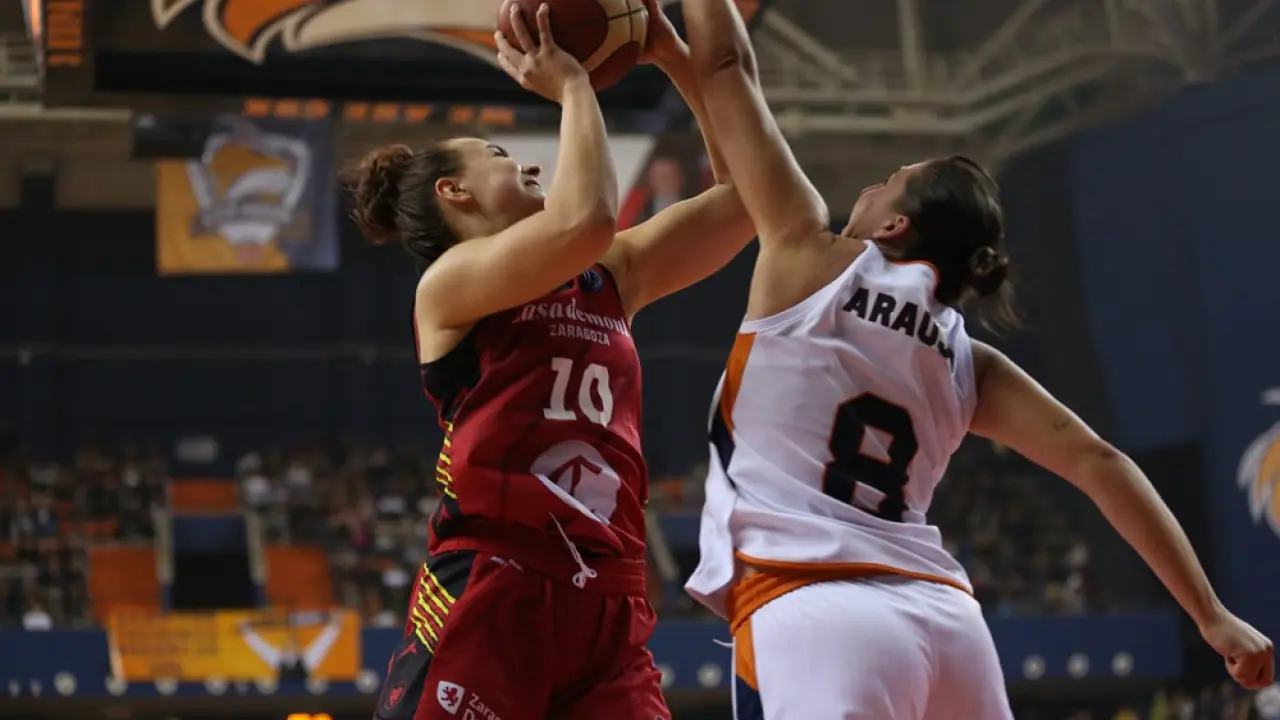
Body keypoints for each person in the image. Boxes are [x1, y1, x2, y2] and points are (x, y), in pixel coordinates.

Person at [678, 1, 1276, 718]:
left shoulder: (806, 253)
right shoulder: (970, 360)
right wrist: (1211, 613)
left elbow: (727, 65)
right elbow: (1101, 463)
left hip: (815, 609)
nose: (870, 185)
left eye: (889, 179)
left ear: (895, 223)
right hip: (946, 623)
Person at [347, 4, 754, 720]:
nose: (528, 162)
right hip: (497, 586)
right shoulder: (449, 284)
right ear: (454, 192)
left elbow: (746, 199)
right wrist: (571, 86)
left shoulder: (609, 274)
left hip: (609, 596)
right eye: (500, 155)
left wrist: (672, 57)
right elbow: (585, 218)